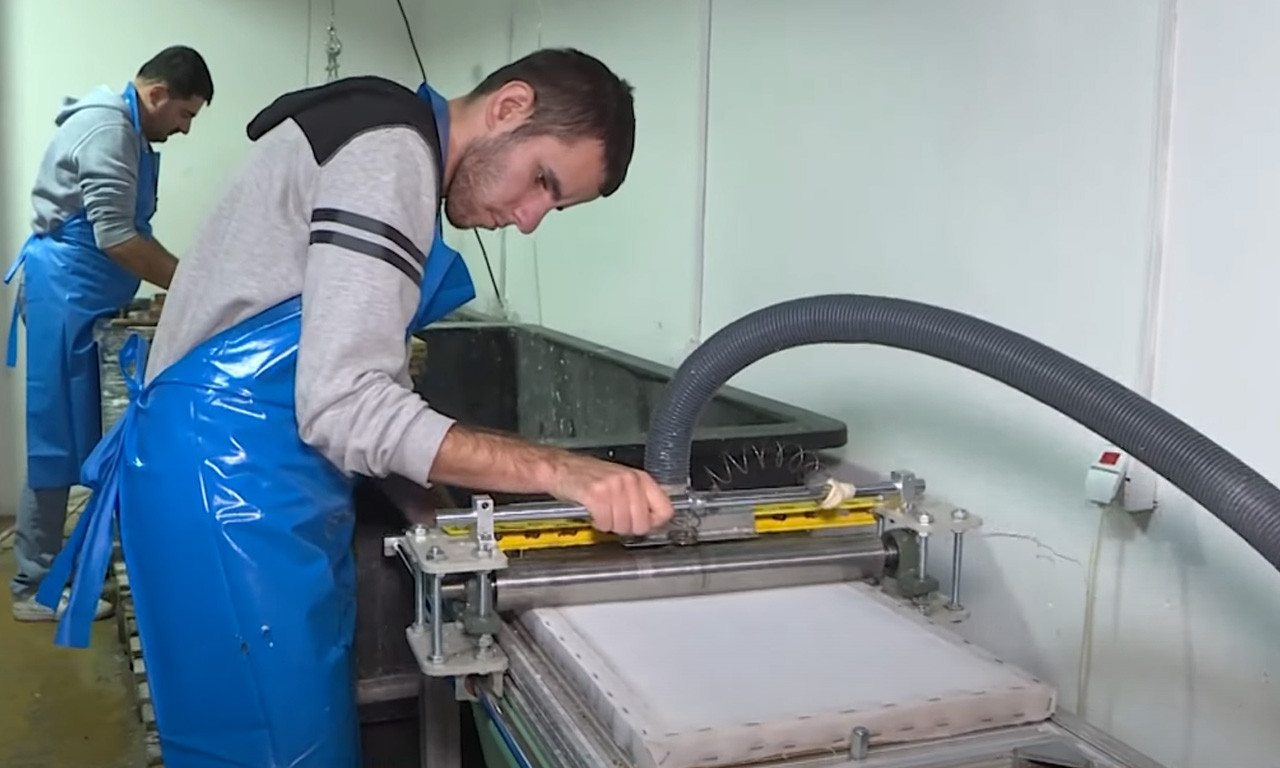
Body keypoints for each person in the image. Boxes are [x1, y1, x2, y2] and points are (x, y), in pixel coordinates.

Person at [37, 48, 674, 767]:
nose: (528, 219)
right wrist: (564, 471)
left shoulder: (381, 134)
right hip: (230, 492)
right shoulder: (390, 154)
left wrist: (431, 509)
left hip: (243, 478)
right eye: (542, 181)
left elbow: (362, 376)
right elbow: (344, 404)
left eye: (553, 208)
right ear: (509, 107)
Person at [4, 45, 214, 622]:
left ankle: (68, 565)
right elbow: (117, 237)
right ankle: (33, 587)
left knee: (84, 435)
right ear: (157, 94)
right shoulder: (109, 129)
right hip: (64, 295)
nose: (186, 129)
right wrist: (193, 285)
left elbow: (128, 228)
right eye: (185, 114)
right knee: (54, 440)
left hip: (88, 299)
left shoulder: (130, 131)